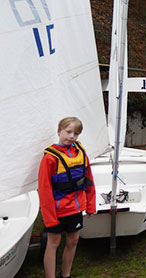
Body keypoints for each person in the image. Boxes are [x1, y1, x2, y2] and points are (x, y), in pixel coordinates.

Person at [38, 117, 96, 278]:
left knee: (73, 240)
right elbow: (44, 189)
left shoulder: (80, 153)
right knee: (53, 243)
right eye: (68, 132)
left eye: (76, 133)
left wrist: (90, 205)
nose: (72, 136)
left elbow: (89, 180)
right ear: (59, 131)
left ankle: (66, 274)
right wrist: (49, 218)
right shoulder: (50, 158)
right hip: (57, 210)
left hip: (75, 208)